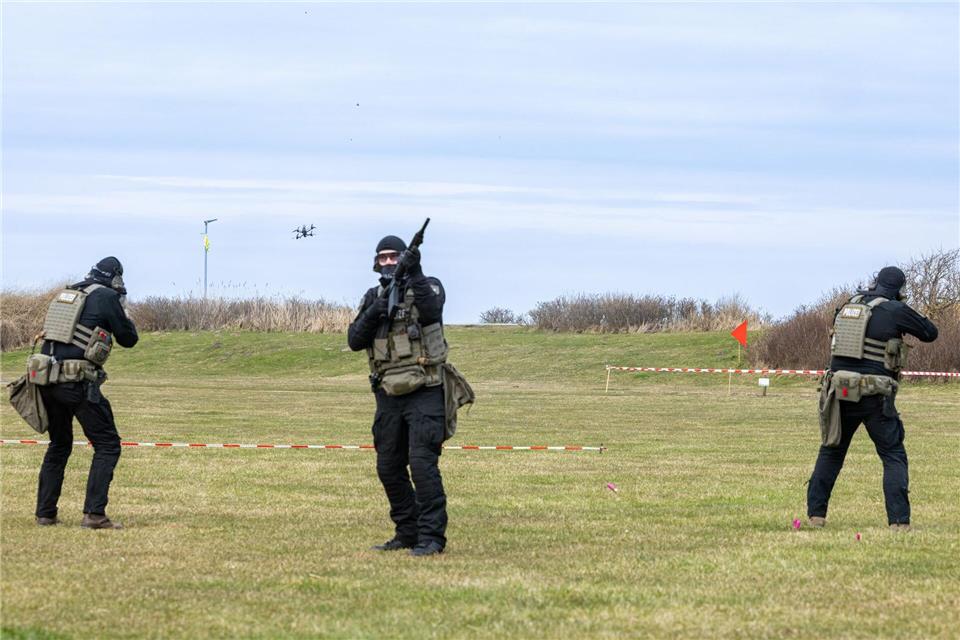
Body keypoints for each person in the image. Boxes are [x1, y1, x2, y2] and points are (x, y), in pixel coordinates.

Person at [807, 266, 938, 531]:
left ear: (875, 283)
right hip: (874, 394)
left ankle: (815, 516)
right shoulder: (895, 309)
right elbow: (930, 333)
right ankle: (899, 522)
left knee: (832, 450)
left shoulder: (848, 305)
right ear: (899, 289)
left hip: (840, 391)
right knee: (893, 454)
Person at [348, 235, 451, 557]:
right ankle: (407, 532)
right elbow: (354, 340)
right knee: (388, 466)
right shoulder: (373, 296)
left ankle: (431, 537)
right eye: (383, 257)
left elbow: (432, 312)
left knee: (422, 465)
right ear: (376, 262)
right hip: (388, 393)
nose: (389, 262)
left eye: (394, 256)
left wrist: (415, 272)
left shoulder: (428, 286)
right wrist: (375, 311)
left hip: (426, 389)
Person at [34, 257, 138, 529]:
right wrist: (124, 312)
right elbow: (129, 339)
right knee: (107, 444)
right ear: (116, 278)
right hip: (76, 381)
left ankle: (45, 513)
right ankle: (94, 514)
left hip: (46, 380)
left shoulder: (68, 293)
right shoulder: (106, 296)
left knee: (59, 445)